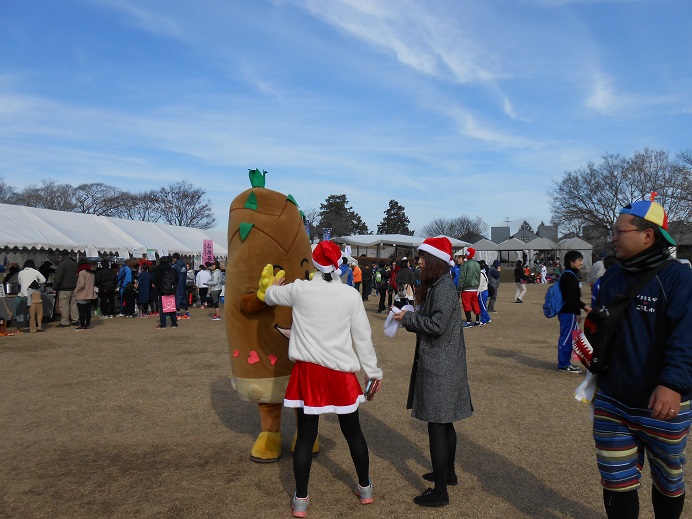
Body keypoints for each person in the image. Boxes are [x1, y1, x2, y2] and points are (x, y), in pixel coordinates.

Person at [263, 240, 383, 517]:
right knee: (353, 432)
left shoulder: (300, 289)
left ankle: (301, 499)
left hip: (309, 373)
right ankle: (365, 488)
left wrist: (275, 285)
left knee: (306, 435)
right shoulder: (350, 295)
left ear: (314, 263)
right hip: (341, 373)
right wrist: (373, 371)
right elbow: (362, 337)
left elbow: (269, 296)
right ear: (338, 264)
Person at [592, 199, 692, 519]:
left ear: (648, 236)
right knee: (616, 479)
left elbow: (686, 336)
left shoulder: (679, 278)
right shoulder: (611, 277)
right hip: (613, 399)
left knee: (668, 479)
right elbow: (602, 326)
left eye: (619, 231)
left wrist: (672, 384)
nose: (613, 238)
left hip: (662, 402)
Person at [393, 237, 473, 507]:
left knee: (437, 426)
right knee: (445, 423)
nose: (419, 261)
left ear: (435, 260)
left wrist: (407, 319)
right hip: (445, 363)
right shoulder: (440, 285)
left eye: (423, 257)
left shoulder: (443, 287)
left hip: (441, 365)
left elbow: (436, 325)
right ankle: (447, 473)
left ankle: (440, 491)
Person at [556, 250, 591, 373]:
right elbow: (571, 297)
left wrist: (583, 306)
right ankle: (564, 364)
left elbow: (573, 297)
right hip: (568, 311)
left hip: (567, 310)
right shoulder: (569, 276)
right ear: (572, 263)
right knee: (567, 337)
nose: (581, 263)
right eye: (579, 261)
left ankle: (565, 362)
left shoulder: (569, 275)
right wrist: (578, 312)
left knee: (568, 336)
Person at [18, 259, 46, 333]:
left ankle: (31, 328)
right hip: (35, 293)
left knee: (30, 314)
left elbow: (20, 282)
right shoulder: (35, 271)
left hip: (24, 294)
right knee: (39, 313)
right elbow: (43, 280)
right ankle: (39, 327)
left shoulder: (21, 272)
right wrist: (37, 283)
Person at [53, 251, 79, 327]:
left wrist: (55, 287)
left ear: (61, 256)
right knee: (73, 305)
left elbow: (58, 277)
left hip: (64, 289)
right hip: (74, 288)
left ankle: (65, 321)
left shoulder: (62, 264)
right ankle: (76, 320)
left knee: (64, 306)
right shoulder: (75, 264)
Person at [152, 256, 178, 328]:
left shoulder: (158, 270)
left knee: (162, 308)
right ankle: (174, 323)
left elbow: (155, 279)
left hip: (161, 290)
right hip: (171, 290)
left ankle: (163, 324)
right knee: (171, 307)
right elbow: (176, 280)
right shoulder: (172, 270)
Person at [458, 247, 481, 327]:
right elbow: (478, 275)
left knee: (466, 304)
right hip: (475, 288)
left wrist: (460, 288)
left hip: (467, 288)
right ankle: (478, 320)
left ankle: (468, 321)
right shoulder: (477, 264)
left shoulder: (465, 264)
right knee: (475, 304)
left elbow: (462, 277)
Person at [74, 259, 96, 331]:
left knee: (81, 311)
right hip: (90, 294)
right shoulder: (91, 273)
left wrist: (76, 291)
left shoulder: (82, 272)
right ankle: (87, 325)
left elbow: (81, 284)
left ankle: (82, 325)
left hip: (82, 294)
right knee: (88, 311)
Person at [171, 253, 189, 319]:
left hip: (177, 284)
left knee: (177, 298)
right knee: (184, 297)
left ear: (175, 258)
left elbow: (172, 275)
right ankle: (187, 313)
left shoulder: (175, 266)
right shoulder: (184, 265)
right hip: (184, 283)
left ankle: (178, 314)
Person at [477, 260, 491, 325]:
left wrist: (477, 293)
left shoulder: (480, 274)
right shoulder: (484, 272)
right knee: (483, 306)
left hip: (482, 292)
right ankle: (484, 320)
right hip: (485, 291)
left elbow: (480, 285)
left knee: (482, 307)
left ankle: (486, 318)